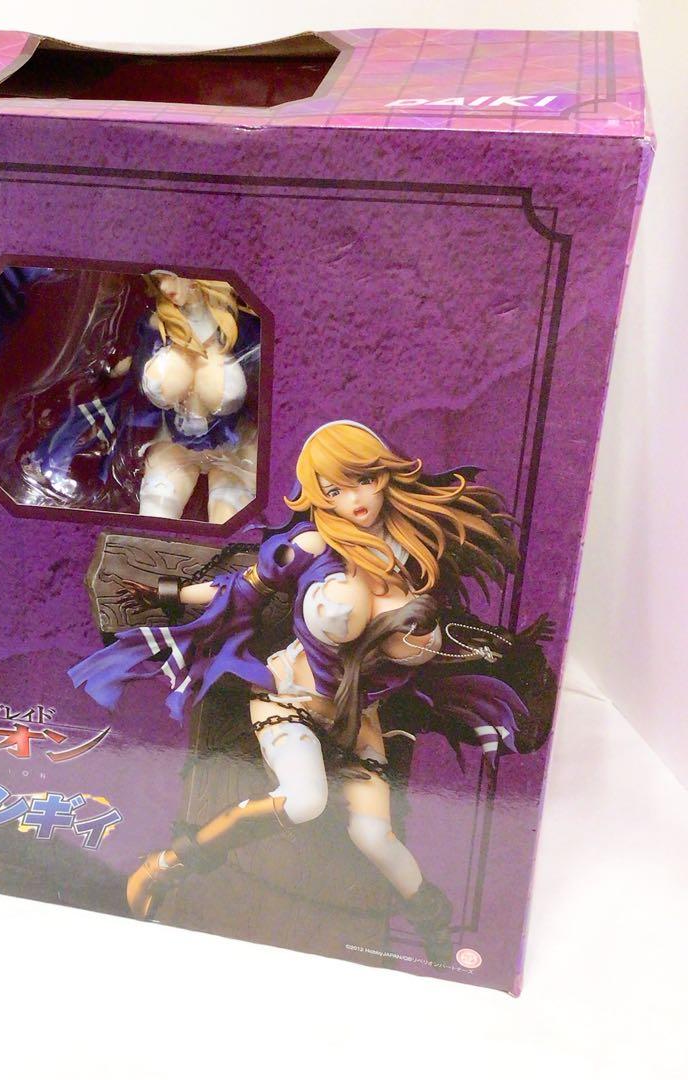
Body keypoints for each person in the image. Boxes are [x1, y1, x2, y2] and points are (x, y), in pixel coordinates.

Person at [70, 420, 540, 964]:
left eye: (364, 480)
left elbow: (429, 643)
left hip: (360, 721)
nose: (354, 500)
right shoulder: (313, 546)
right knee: (305, 801)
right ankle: (166, 866)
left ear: (385, 476)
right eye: (334, 489)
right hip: (290, 702)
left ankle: (439, 940)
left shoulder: (414, 556)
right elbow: (238, 589)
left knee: (375, 838)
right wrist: (167, 592)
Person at [27, 270, 260, 523]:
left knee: (230, 517)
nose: (165, 287)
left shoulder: (243, 329)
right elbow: (147, 380)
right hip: (174, 441)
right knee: (158, 508)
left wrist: (213, 351)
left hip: (235, 445)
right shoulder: (156, 328)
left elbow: (263, 387)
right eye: (159, 280)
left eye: (173, 277)